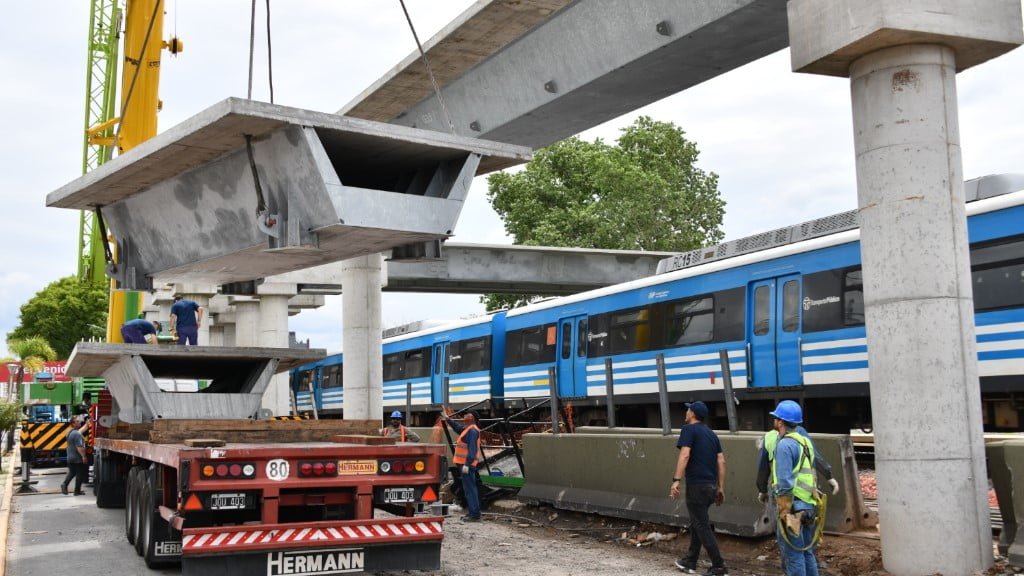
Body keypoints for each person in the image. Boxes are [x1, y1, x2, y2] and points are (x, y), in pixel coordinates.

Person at [670, 401, 728, 575]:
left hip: (697, 486)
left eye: (688, 409)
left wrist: (676, 480)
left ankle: (719, 566)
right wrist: (720, 487)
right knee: (698, 522)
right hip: (711, 487)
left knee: (701, 525)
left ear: (692, 413)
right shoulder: (712, 434)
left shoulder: (688, 430)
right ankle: (690, 561)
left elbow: (685, 454)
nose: (686, 412)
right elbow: (721, 461)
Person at [767, 400, 821, 576]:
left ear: (781, 422)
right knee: (807, 552)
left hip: (793, 508)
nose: (774, 421)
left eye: (776, 418)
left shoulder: (784, 445)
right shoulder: (805, 442)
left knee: (794, 555)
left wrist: (784, 510)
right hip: (808, 505)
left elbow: (784, 483)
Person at [443, 410, 482, 522]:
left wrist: (467, 464)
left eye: (467, 414)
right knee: (469, 489)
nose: (464, 416)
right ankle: (473, 513)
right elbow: (457, 427)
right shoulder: (467, 429)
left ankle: (474, 515)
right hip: (464, 465)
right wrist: (448, 419)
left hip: (467, 465)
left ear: (472, 417)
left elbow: (472, 450)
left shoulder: (472, 430)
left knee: (470, 490)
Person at [60, 416, 88, 495]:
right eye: (77, 421)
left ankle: (64, 484)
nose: (79, 422)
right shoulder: (77, 434)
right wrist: (83, 456)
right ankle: (77, 491)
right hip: (77, 457)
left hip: (70, 456)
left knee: (72, 472)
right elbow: (79, 447)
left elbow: (80, 431)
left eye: (79, 421)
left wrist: (87, 424)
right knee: (80, 474)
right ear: (73, 424)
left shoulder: (71, 432)